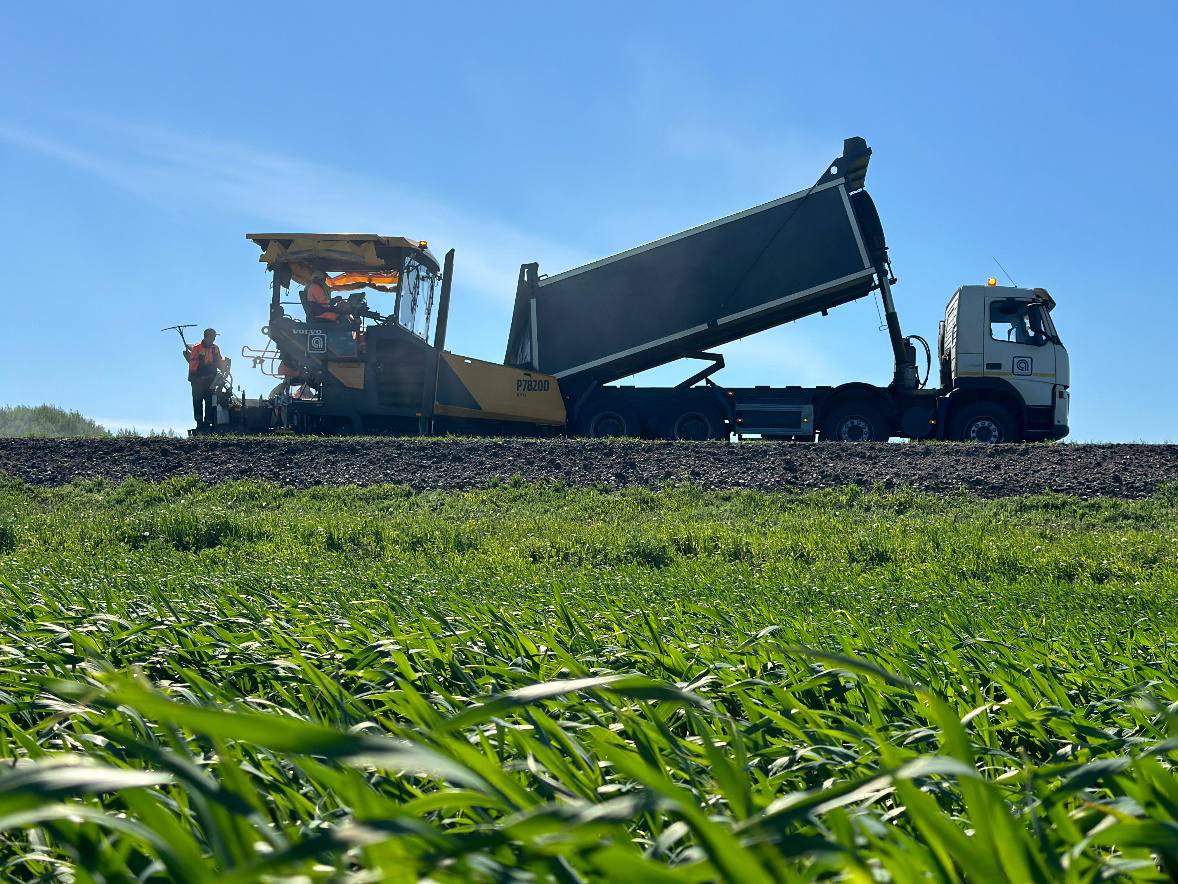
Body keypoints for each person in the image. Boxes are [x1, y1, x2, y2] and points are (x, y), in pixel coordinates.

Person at [185, 328, 227, 428]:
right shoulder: (197, 348)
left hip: (211, 380)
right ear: (207, 336)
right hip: (197, 380)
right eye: (213, 337)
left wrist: (223, 367)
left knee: (210, 400)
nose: (214, 339)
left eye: (215, 337)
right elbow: (193, 364)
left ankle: (208, 421)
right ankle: (199, 423)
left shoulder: (215, 348)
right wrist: (195, 378)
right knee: (197, 400)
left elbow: (219, 361)